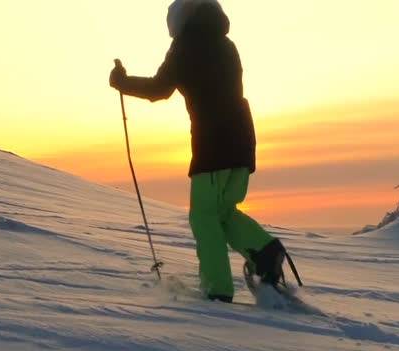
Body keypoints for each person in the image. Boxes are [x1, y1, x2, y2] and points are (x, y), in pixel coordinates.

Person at [110, 0, 288, 303]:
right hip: (243, 142)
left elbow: (159, 89)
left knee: (204, 217)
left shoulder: (186, 46)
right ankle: (267, 252)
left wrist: (121, 82)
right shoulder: (226, 44)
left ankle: (217, 290)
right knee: (223, 212)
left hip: (213, 143)